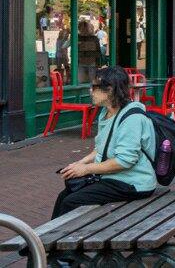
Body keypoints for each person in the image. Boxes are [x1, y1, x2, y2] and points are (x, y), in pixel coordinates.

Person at [52, 67, 155, 218]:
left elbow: (124, 161)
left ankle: (66, 240)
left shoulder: (132, 118)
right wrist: (79, 164)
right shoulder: (105, 113)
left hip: (134, 183)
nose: (90, 91)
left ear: (110, 90)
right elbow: (101, 148)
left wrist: (86, 170)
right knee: (64, 196)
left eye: (94, 87)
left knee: (71, 202)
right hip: (113, 178)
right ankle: (44, 241)